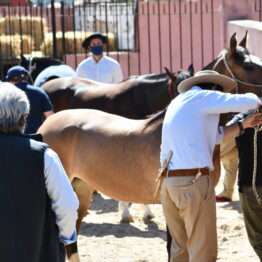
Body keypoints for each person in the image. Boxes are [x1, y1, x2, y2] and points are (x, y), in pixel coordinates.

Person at [160, 70, 262, 262]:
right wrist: (257, 98)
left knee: (180, 247)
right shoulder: (203, 96)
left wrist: (242, 125)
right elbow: (249, 101)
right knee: (203, 250)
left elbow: (215, 136)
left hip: (169, 182)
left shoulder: (180, 102)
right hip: (192, 182)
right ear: (214, 88)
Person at [0, 82, 79, 262]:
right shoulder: (44, 155)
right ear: (24, 117)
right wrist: (66, 238)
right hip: (37, 251)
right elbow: (66, 205)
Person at [227, 110, 262, 260]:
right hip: (250, 184)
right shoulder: (241, 117)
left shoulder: (241, 117)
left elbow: (225, 133)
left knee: (257, 237)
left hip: (249, 185)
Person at [5, 65, 54, 134]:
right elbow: (50, 116)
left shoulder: (5, 94)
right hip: (36, 136)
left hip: (13, 138)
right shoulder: (39, 92)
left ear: (10, 80)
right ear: (27, 77)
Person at [216, 135, 238, 202]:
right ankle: (227, 193)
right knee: (230, 165)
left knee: (213, 156)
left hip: (230, 129)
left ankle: (227, 193)